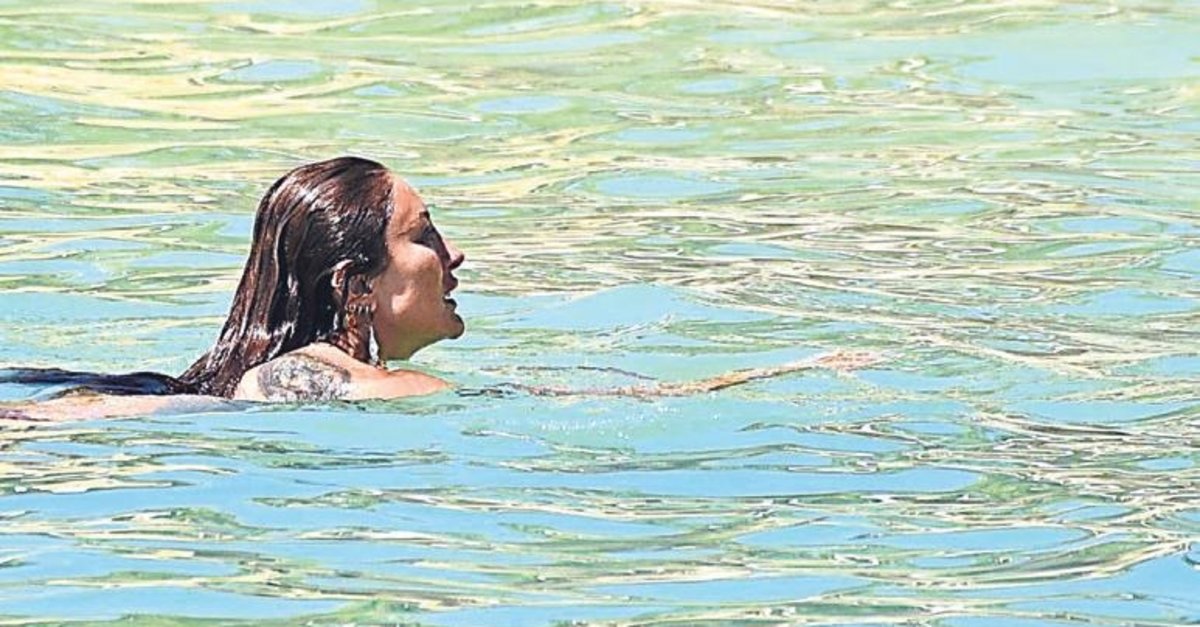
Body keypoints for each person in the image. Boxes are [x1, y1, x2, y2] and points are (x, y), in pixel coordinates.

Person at [1, 156, 878, 422]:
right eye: (423, 235)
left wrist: (748, 377)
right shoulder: (330, 382)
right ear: (354, 283)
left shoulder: (275, 381)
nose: (455, 256)